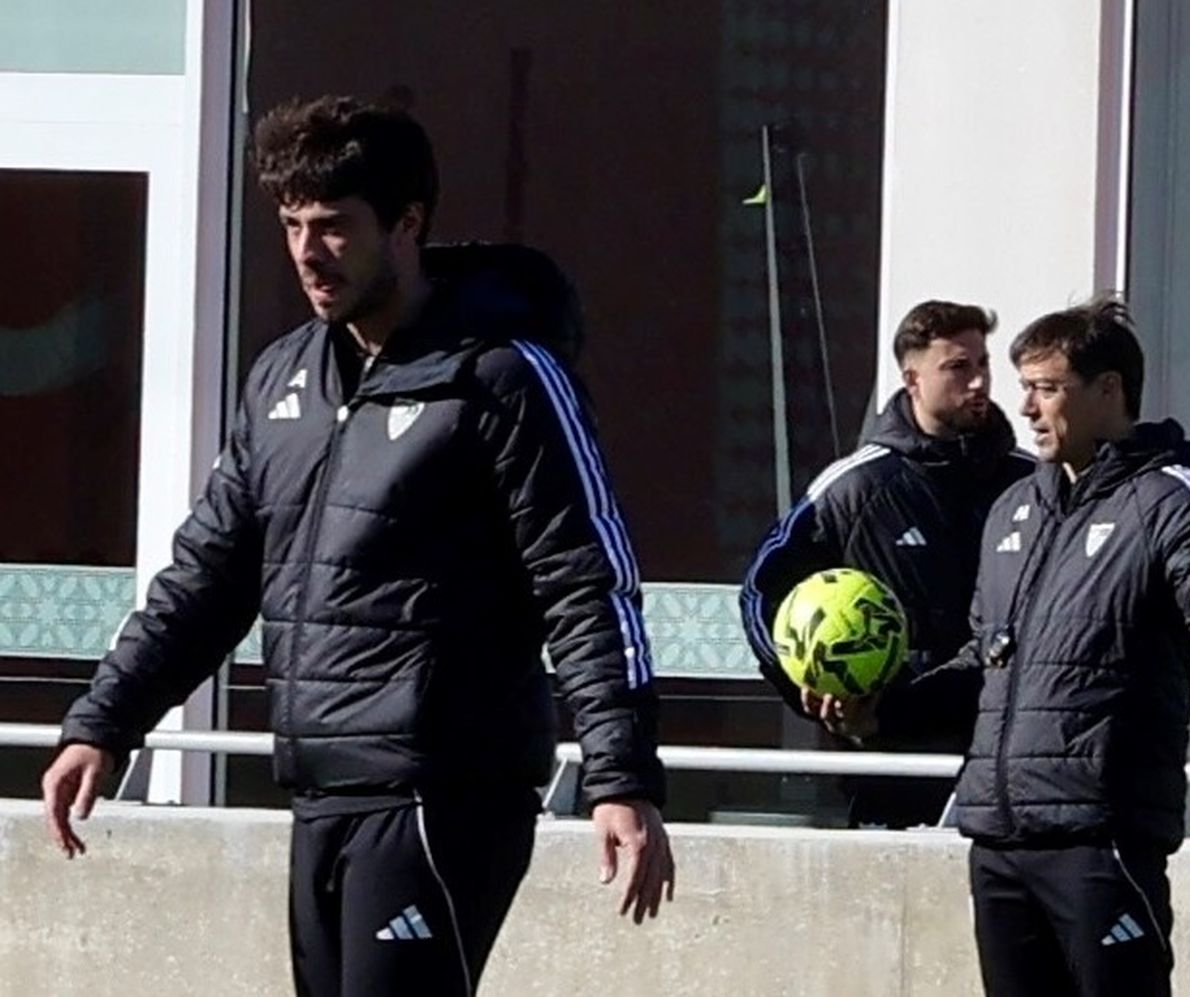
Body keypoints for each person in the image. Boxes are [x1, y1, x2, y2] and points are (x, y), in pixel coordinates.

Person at [39, 95, 674, 997]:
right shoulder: (285, 375)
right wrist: (104, 722)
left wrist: (620, 775)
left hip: (440, 790)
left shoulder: (499, 376)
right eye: (293, 224)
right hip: (322, 784)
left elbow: (586, 584)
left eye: (334, 227)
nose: (307, 252)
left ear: (408, 224)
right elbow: (209, 575)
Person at [914, 296, 1190, 995]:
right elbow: (987, 655)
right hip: (1000, 840)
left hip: (1100, 836)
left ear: (1108, 391)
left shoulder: (1166, 496)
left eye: (1048, 388)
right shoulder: (1013, 510)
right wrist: (881, 707)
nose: (1029, 409)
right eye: (1025, 389)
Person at [740, 300, 1033, 827]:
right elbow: (761, 590)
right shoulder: (857, 486)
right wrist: (806, 686)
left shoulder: (1031, 484)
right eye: (957, 368)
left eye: (983, 364)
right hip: (894, 761)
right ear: (912, 379)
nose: (978, 382)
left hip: (1010, 757)